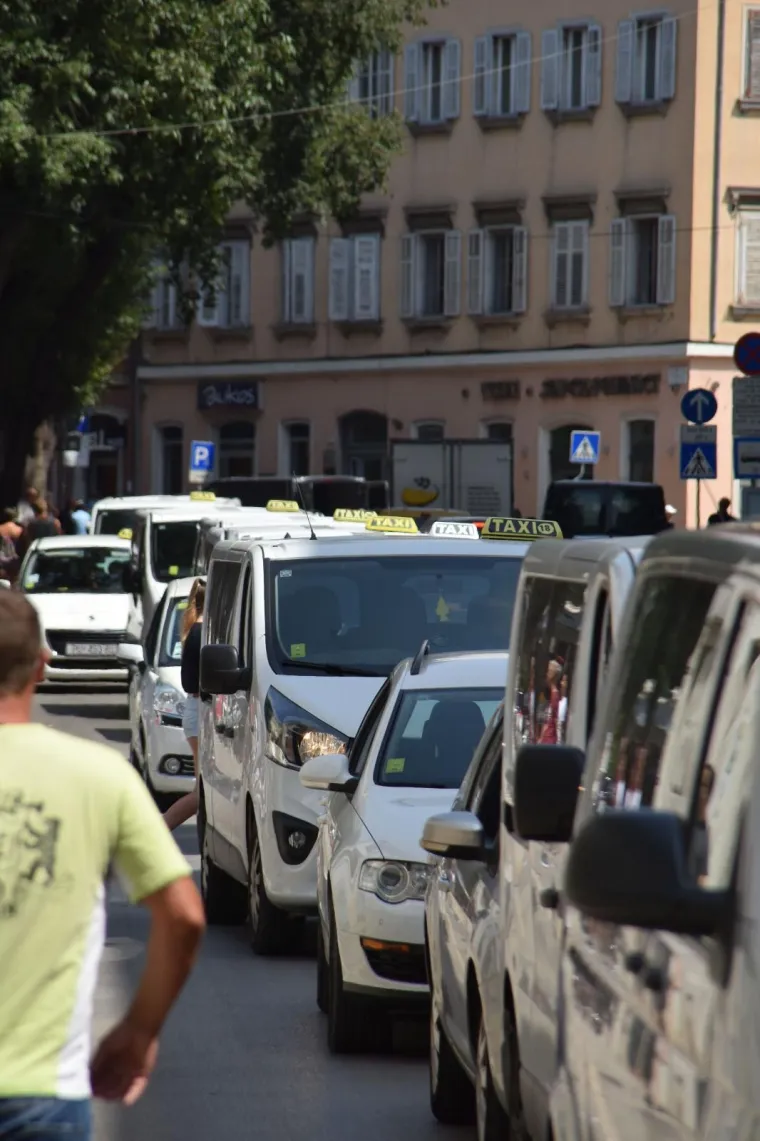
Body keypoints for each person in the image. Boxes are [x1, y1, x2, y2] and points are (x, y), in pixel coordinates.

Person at [0, 591, 205, 1140]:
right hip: (41, 1095)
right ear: (42, 665)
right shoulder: (97, 776)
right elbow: (183, 916)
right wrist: (138, 1032)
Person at [164, 578, 205, 832]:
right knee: (200, 793)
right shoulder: (201, 633)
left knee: (201, 791)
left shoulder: (194, 630)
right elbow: (194, 682)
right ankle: (158, 829)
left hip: (195, 712)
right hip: (199, 713)